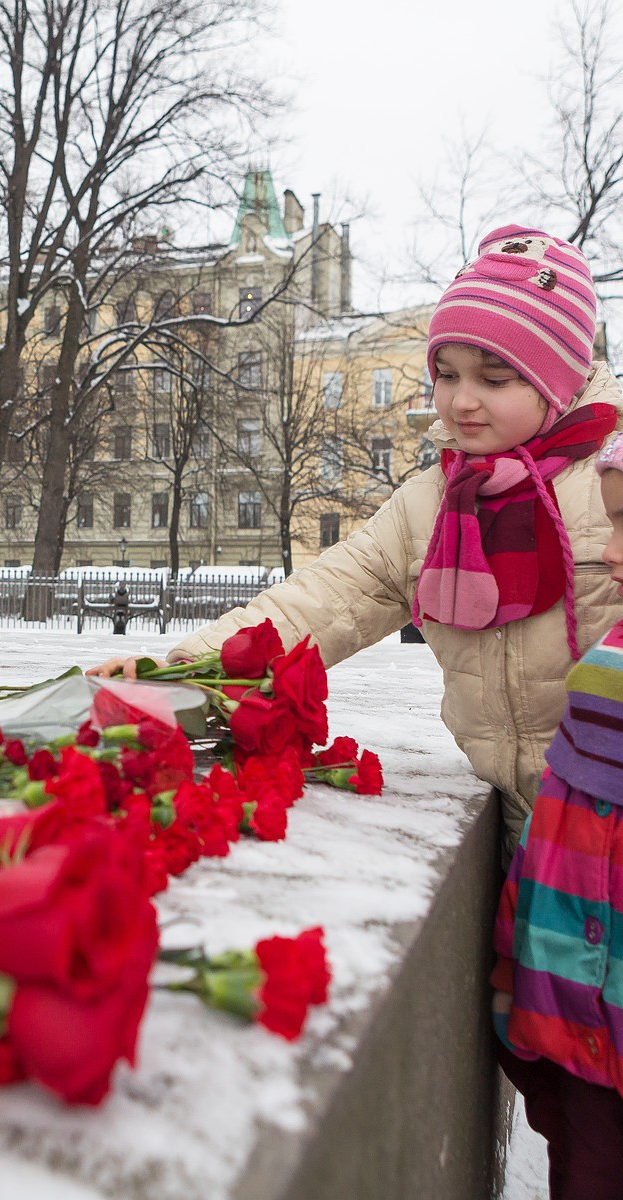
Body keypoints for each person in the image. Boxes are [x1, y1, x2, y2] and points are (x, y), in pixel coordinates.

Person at [89, 224, 623, 850]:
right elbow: (323, 600)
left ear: (556, 379)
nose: (462, 402)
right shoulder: (435, 503)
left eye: (494, 378)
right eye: (446, 374)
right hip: (526, 836)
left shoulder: (609, 484)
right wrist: (177, 670)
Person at [489, 430, 623, 1198]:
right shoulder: (602, 672)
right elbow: (556, 833)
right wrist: (516, 969)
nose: (609, 551)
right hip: (573, 1040)